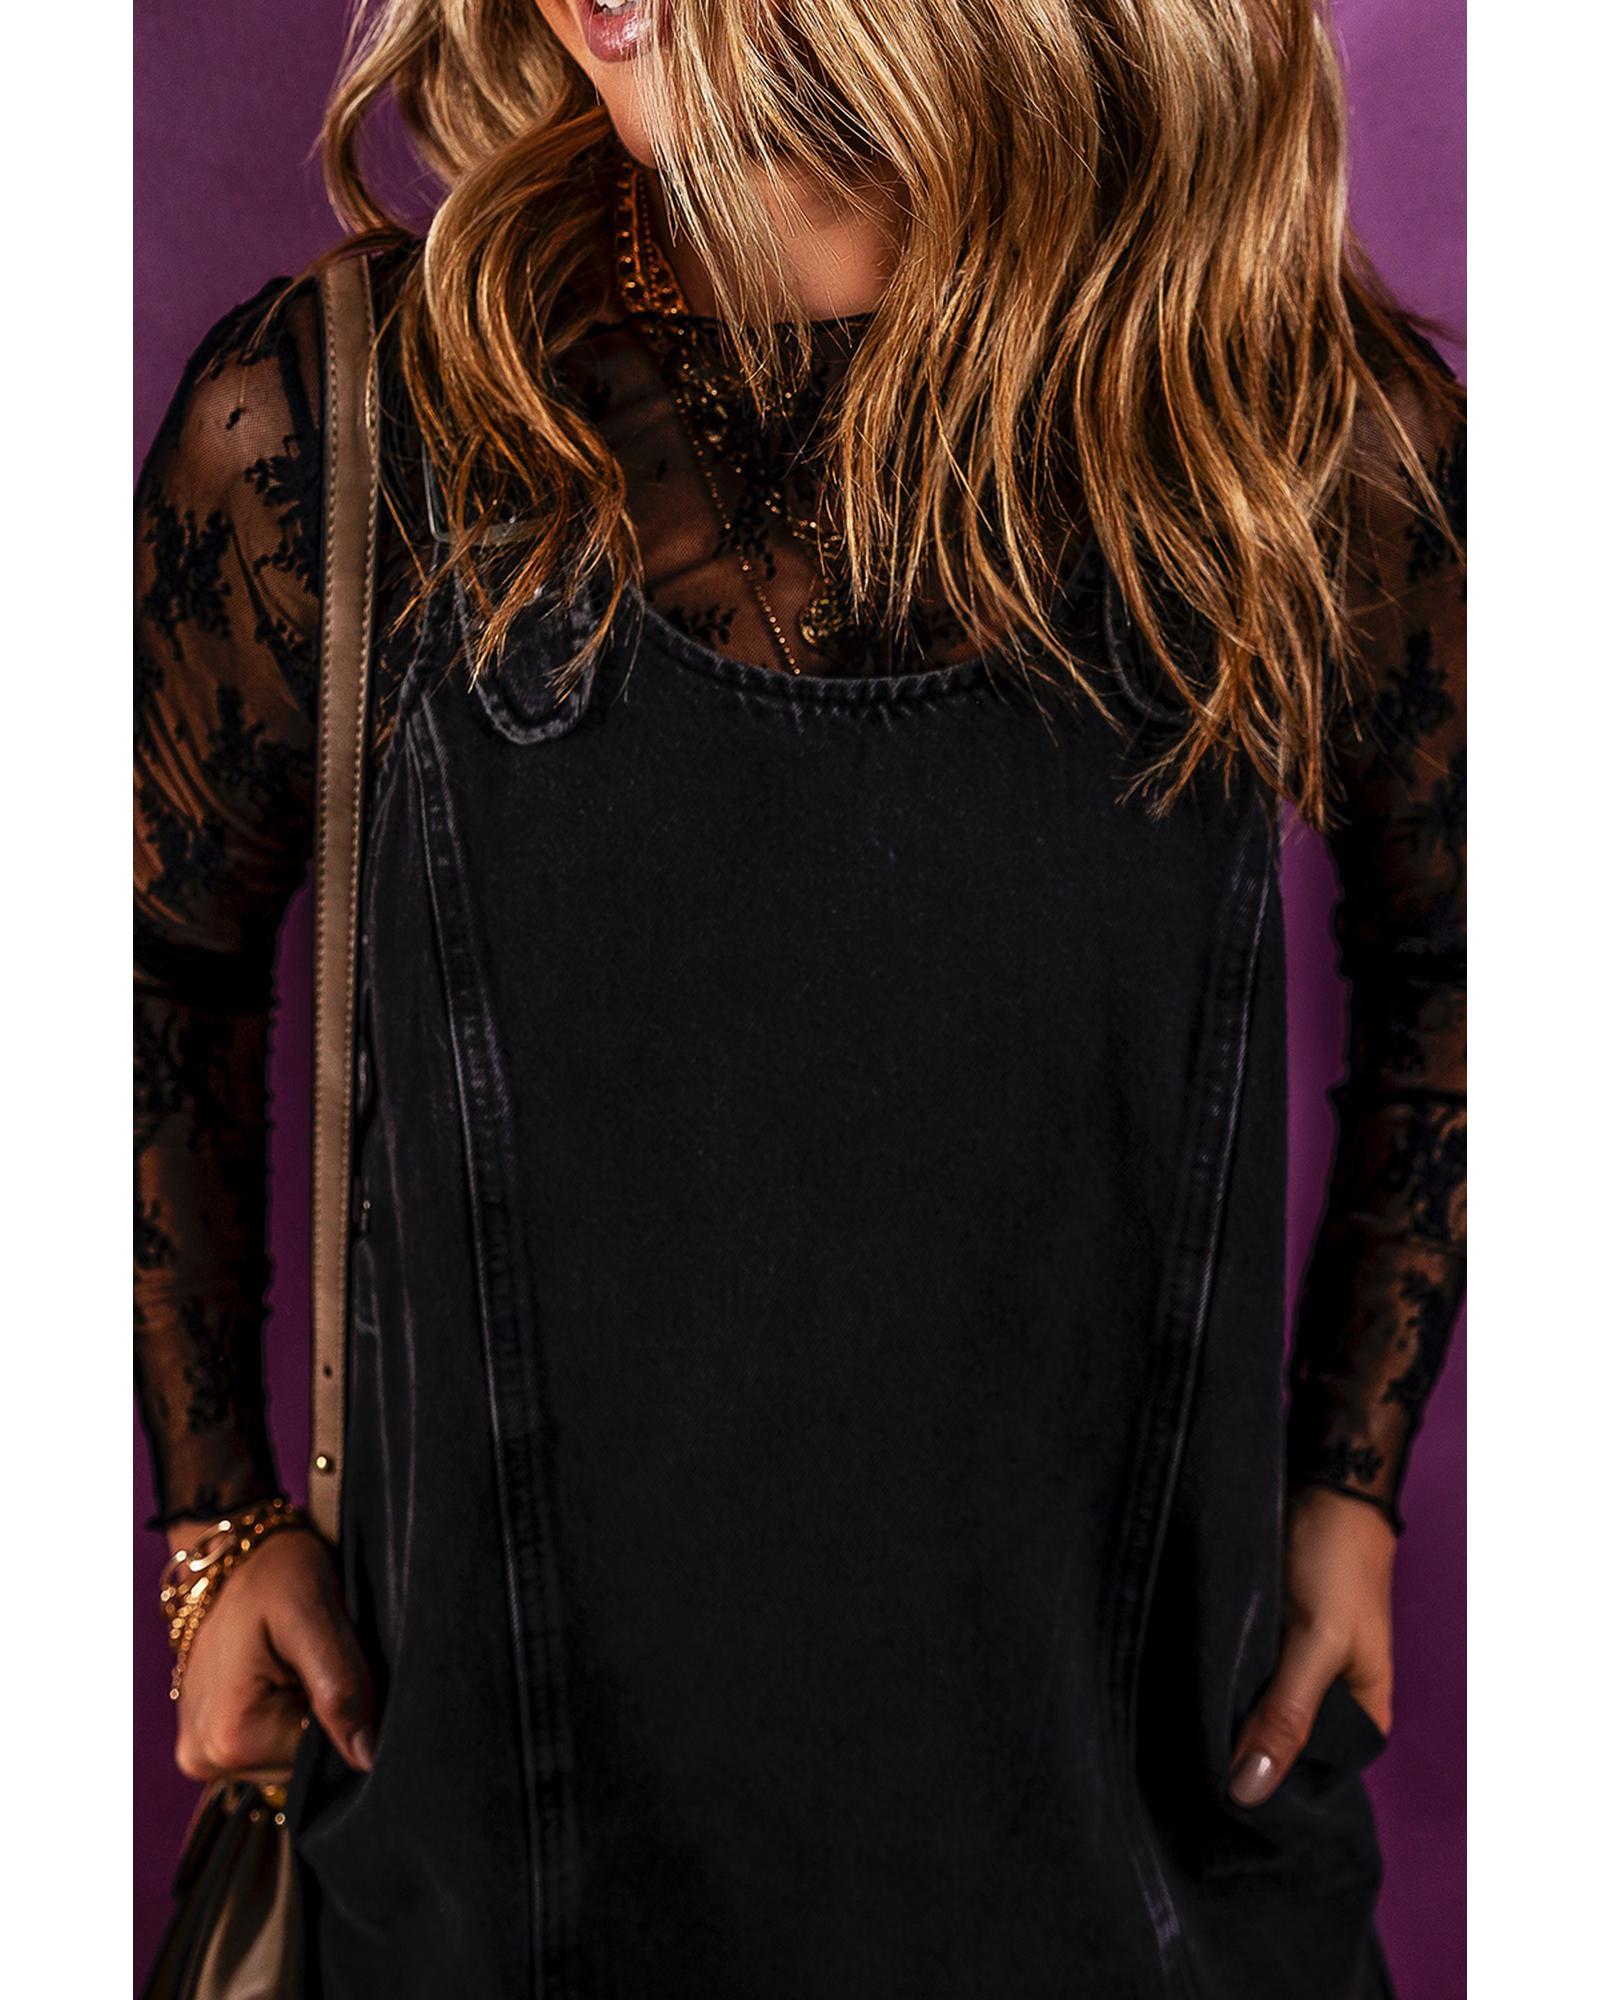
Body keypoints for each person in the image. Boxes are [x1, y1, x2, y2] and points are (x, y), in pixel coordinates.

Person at [133, 2, 1466, 1994]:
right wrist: (219, 1518)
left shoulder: (1271, 412)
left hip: (1127, 1858)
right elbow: (150, 970)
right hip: (498, 1863)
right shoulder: (341, 415)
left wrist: (1350, 1473)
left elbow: (1464, 953)